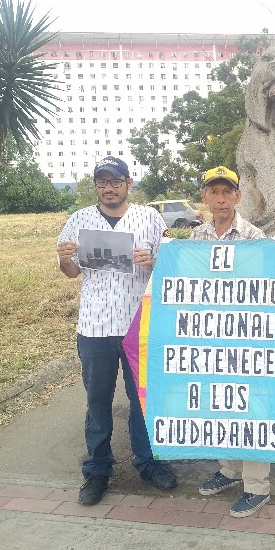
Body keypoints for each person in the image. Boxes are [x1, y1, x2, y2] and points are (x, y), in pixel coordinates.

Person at [57, 156, 178, 506]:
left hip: (139, 323)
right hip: (94, 325)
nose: (109, 187)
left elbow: (171, 266)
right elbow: (69, 272)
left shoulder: (151, 219)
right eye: (102, 181)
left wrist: (154, 262)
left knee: (143, 399)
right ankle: (97, 468)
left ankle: (148, 462)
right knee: (97, 401)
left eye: (116, 180)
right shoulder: (79, 220)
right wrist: (65, 257)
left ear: (129, 183)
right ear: (96, 185)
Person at [190, 167, 272, 518]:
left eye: (227, 192)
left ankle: (256, 486)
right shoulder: (195, 238)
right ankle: (229, 469)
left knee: (249, 407)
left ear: (238, 196)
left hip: (246, 338)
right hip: (209, 336)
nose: (221, 198)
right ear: (205, 197)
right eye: (214, 192)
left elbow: (266, 288)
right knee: (219, 402)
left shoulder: (256, 237)